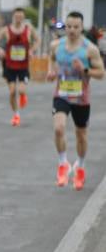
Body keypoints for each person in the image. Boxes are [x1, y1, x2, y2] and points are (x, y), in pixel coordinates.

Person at [47, 11, 104, 190]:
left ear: (82, 28)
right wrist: (51, 71)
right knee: (59, 128)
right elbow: (51, 59)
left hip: (81, 97)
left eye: (75, 27)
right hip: (61, 94)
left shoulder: (90, 49)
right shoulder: (56, 45)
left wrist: (84, 70)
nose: (71, 30)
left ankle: (80, 165)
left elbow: (101, 73)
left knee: (81, 135)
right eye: (69, 26)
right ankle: (63, 162)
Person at [0, 7, 38, 126]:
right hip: (10, 65)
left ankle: (23, 95)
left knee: (21, 90)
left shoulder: (28, 29)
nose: (19, 19)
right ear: (13, 17)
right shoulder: (6, 30)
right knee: (11, 92)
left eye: (21, 17)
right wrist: (0, 50)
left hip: (23, 66)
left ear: (24, 17)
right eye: (17, 17)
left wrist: (32, 50)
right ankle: (16, 115)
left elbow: (37, 40)